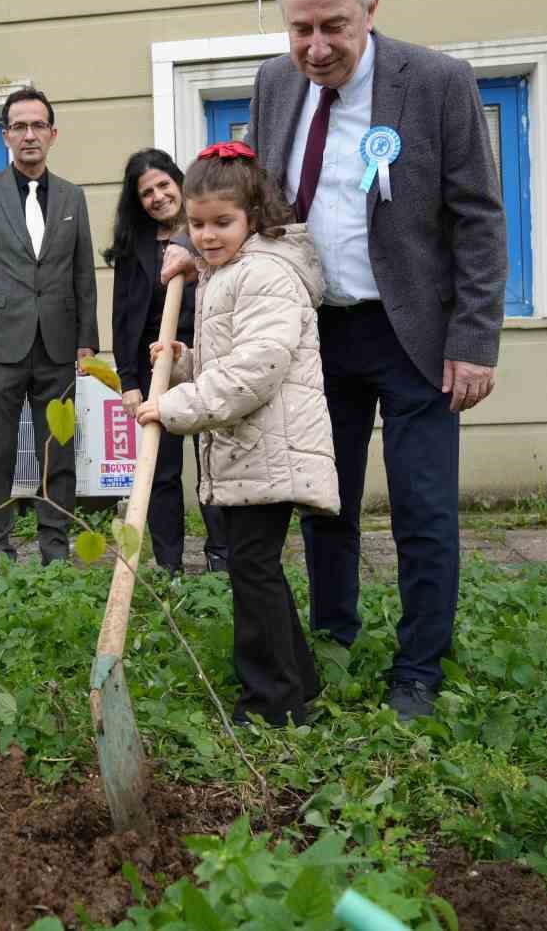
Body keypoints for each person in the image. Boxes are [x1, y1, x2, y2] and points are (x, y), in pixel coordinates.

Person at [172, 0, 506, 720]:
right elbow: (260, 201)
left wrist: (474, 339)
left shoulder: (437, 83)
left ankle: (419, 668)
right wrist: (198, 246)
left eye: (334, 27)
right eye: (301, 30)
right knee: (327, 499)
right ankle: (333, 635)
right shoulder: (274, 84)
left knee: (425, 509)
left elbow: (480, 221)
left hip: (416, 333)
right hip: (317, 334)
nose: (316, 48)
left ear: (371, 12)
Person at [137, 141, 337, 726]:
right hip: (251, 448)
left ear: (255, 216)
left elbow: (255, 370)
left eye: (222, 222)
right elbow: (228, 359)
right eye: (195, 224)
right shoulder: (226, 274)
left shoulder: (266, 273)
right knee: (259, 568)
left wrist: (173, 407)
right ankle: (299, 681)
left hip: (269, 449)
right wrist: (182, 361)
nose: (206, 235)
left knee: (251, 571)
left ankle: (272, 704)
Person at [0, 88, 99, 571]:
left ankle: (56, 551)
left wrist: (86, 342)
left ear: (53, 135)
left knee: (60, 452)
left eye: (38, 126)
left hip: (57, 348)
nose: (29, 135)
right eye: (19, 126)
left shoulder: (74, 196)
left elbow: (83, 276)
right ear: (6, 136)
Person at [106, 148, 229, 576]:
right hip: (155, 368)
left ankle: (221, 558)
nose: (157, 196)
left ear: (180, 183)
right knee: (161, 468)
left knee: (214, 463)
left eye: (163, 185)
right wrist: (128, 380)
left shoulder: (208, 231)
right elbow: (123, 317)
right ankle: (170, 563)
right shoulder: (133, 246)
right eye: (146, 193)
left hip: (210, 360)